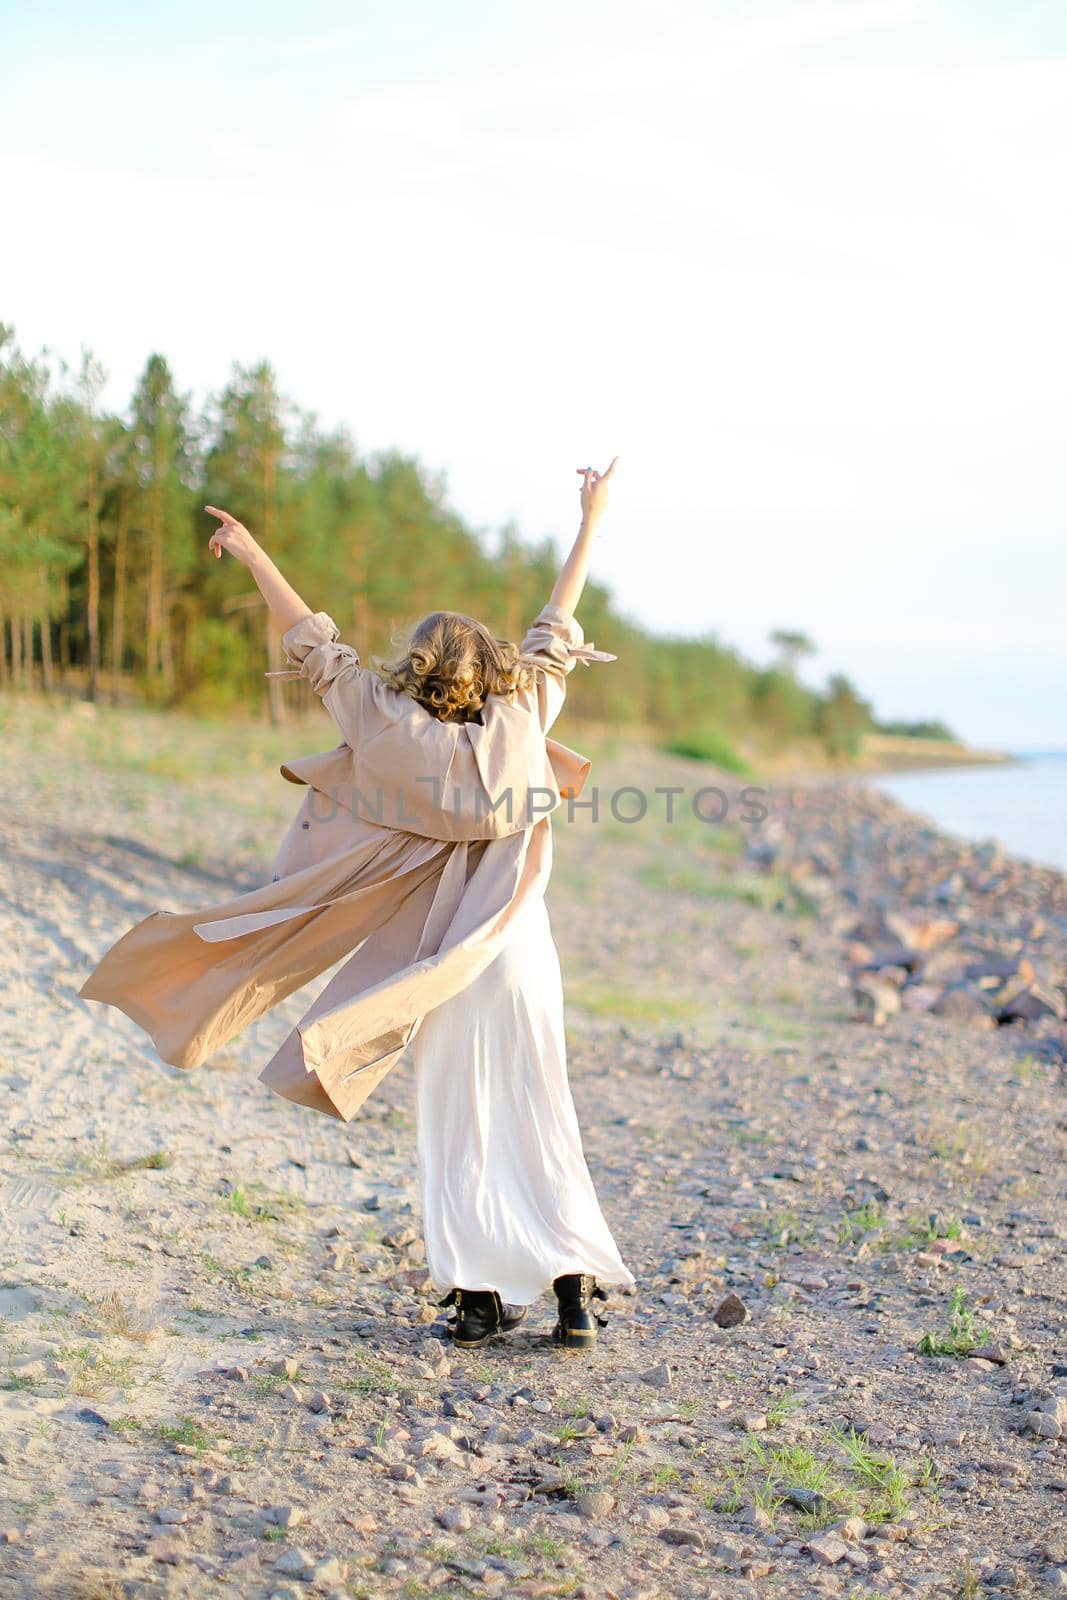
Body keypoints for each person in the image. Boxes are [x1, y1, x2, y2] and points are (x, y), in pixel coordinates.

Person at [78, 460, 635, 1351]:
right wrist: (591, 518)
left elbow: (310, 642)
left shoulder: (381, 724)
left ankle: (478, 1299)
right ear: (493, 667)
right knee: (540, 1106)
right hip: (517, 953)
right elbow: (557, 621)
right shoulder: (526, 711)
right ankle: (572, 1292)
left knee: (456, 1117)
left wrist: (256, 554)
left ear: (413, 669)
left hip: (437, 966)